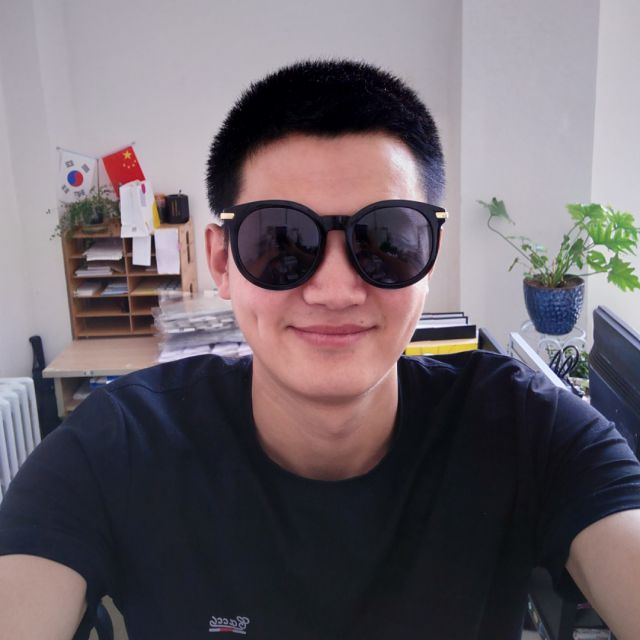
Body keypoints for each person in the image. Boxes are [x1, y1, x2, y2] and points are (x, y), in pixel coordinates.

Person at [1, 59, 640, 640]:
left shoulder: (530, 432)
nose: (336, 291)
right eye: (280, 243)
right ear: (222, 262)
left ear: (430, 258)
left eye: (387, 242)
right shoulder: (115, 448)